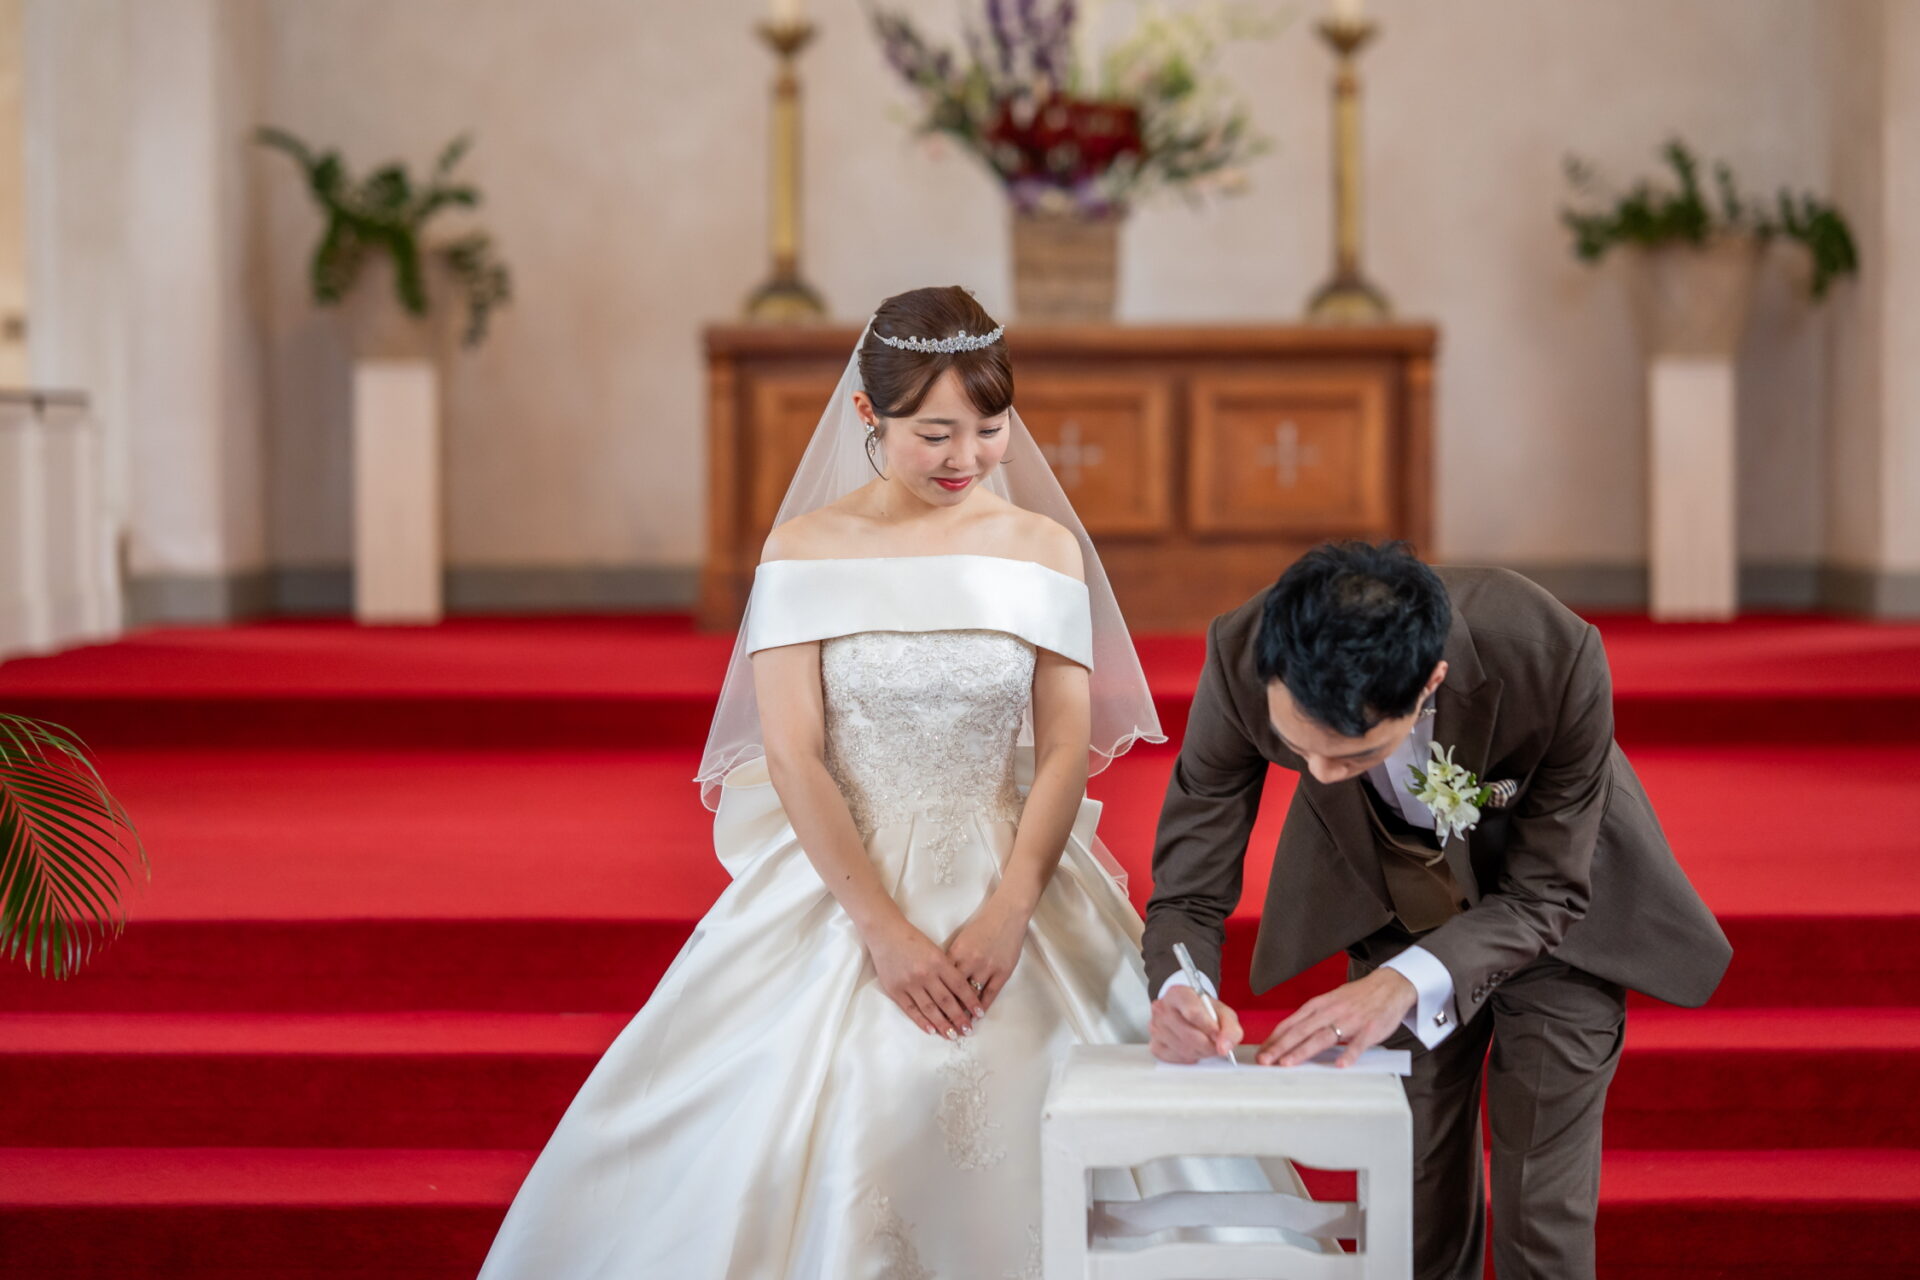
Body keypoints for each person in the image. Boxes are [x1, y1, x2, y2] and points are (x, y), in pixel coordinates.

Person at [478, 285, 1316, 1279]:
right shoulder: (804, 550)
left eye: (989, 429)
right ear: (868, 414)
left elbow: (1063, 747)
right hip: (846, 879)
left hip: (1014, 873)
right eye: (934, 434)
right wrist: (881, 929)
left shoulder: (1043, 549)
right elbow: (793, 753)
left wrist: (1011, 908)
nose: (968, 458)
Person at [1143, 540, 1733, 1280]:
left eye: (1351, 757)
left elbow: (1545, 894)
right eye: (1301, 750)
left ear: (1431, 683)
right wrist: (1182, 986)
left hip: (1561, 925)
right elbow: (1190, 882)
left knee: (1540, 1213)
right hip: (1396, 909)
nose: (1320, 775)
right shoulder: (1243, 654)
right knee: (1411, 1194)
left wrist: (1399, 985)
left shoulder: (1550, 654)